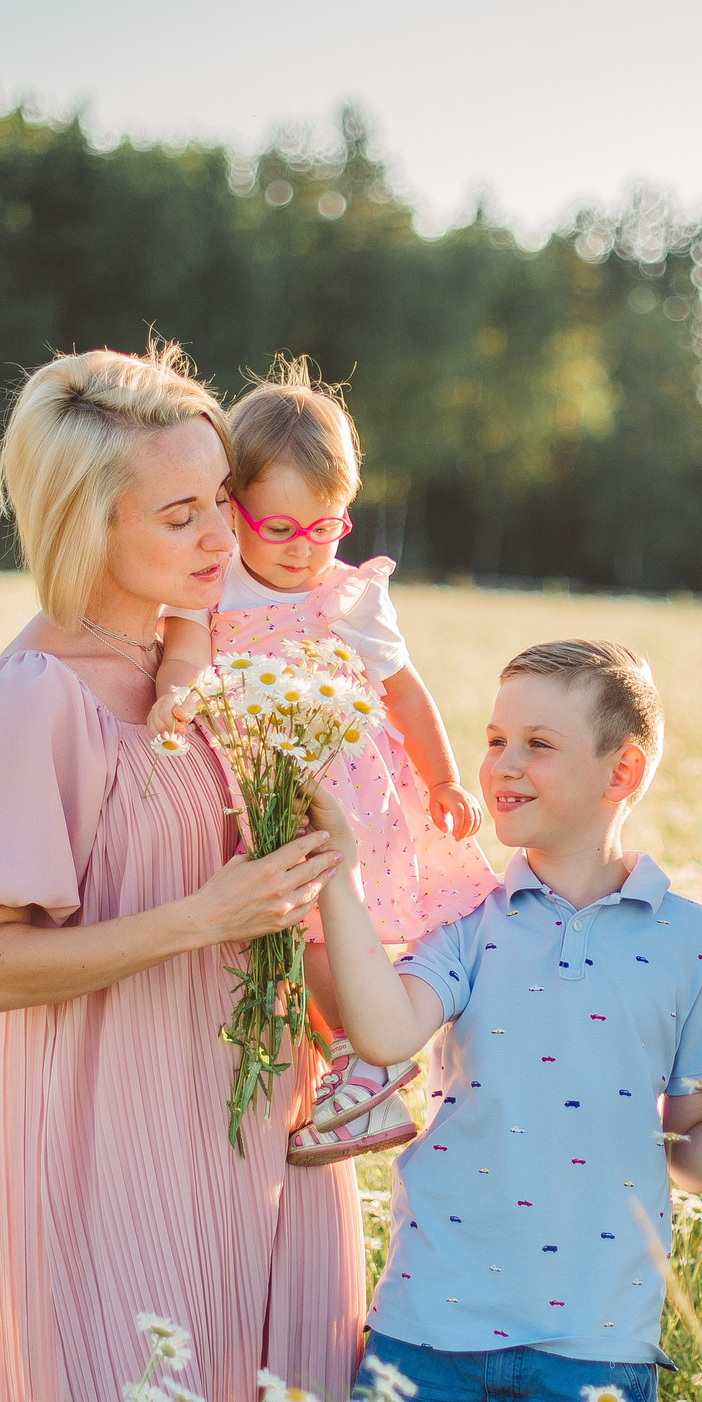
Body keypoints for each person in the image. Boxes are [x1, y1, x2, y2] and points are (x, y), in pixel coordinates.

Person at [0, 344, 358, 1402]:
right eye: (182, 515)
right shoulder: (28, 701)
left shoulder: (217, 660)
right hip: (122, 1134)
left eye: (221, 496)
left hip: (264, 1124)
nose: (226, 531)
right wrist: (200, 920)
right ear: (82, 525)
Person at [309, 639, 702, 1402]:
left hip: (593, 1358)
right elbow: (386, 1028)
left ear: (621, 769)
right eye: (494, 738)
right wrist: (339, 875)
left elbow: (691, 1161)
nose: (501, 766)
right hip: (428, 1337)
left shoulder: (693, 940)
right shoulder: (469, 922)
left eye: (538, 745)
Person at [148, 359, 495, 1166]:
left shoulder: (351, 596)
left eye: (327, 527)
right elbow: (188, 655)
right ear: (232, 509)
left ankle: (369, 1053)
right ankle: (351, 1062)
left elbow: (406, 694)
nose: (305, 552)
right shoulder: (210, 583)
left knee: (323, 937)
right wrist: (175, 694)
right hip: (256, 799)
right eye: (281, 529)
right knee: (278, 945)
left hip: (346, 801)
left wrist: (442, 778)